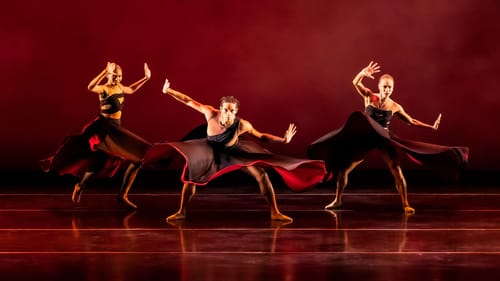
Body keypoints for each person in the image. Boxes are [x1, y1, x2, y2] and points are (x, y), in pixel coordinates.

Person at [143, 79, 326, 222]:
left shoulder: (242, 124)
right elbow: (189, 101)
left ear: (236, 111)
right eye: (225, 110)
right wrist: (169, 91)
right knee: (191, 175)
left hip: (234, 153)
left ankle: (275, 213)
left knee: (262, 175)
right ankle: (181, 212)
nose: (227, 114)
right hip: (210, 150)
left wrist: (283, 139)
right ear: (220, 109)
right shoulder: (210, 113)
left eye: (231, 111)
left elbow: (261, 136)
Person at [308, 61, 468, 214]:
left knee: (396, 170)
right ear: (379, 87)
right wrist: (362, 74)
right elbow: (355, 83)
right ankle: (338, 200)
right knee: (343, 170)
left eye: (390, 87)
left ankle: (406, 204)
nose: (387, 90)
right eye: (384, 87)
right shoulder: (370, 97)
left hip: (383, 137)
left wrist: (430, 126)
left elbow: (411, 121)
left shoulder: (394, 106)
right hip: (367, 137)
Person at [41, 62, 152, 209]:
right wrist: (104, 71)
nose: (118, 79)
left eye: (120, 76)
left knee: (131, 160)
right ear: (108, 75)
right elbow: (90, 87)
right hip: (104, 128)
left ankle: (120, 194)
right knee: (103, 160)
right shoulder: (104, 89)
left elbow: (131, 89)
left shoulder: (119, 87)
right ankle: (82, 187)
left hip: (116, 129)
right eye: (115, 76)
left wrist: (145, 78)